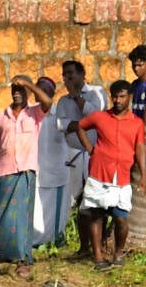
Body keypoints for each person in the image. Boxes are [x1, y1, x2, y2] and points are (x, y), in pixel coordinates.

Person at [35, 62, 105, 253]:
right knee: (74, 201)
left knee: (97, 201)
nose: (68, 77)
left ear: (82, 73)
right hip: (73, 154)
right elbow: (62, 124)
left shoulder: (97, 93)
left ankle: (100, 243)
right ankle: (79, 244)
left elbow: (95, 115)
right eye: (65, 74)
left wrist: (76, 97)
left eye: (71, 74)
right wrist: (81, 125)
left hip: (94, 153)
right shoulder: (64, 101)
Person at [77, 79, 146, 266]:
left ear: (129, 97)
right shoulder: (100, 117)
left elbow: (139, 149)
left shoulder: (137, 123)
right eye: (114, 96)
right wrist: (90, 148)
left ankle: (118, 254)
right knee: (96, 215)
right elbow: (80, 126)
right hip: (99, 173)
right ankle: (98, 257)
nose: (117, 100)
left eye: (122, 96)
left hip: (122, 176)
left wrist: (144, 176)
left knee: (121, 217)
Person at [0, 76, 44, 273]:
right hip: (4, 172)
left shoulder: (35, 113)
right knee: (0, 217)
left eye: (21, 90)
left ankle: (23, 261)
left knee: (22, 218)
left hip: (25, 172)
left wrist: (27, 83)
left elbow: (49, 101)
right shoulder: (2, 116)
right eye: (14, 90)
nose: (17, 93)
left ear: (27, 92)